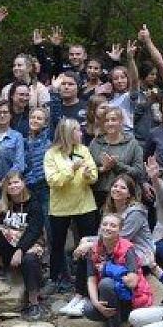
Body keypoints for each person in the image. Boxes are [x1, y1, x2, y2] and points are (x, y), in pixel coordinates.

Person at [45, 118, 98, 296]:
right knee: (58, 244)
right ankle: (55, 278)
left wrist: (89, 175)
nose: (81, 134)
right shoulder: (51, 154)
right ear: (68, 134)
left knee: (88, 243)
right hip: (60, 207)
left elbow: (94, 176)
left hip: (85, 204)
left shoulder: (84, 150)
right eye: (77, 131)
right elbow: (53, 181)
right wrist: (72, 169)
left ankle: (88, 278)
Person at [82, 213, 153, 327]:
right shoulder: (94, 249)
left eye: (113, 225)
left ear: (120, 230)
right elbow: (91, 278)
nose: (107, 228)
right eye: (105, 224)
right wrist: (97, 304)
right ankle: (112, 316)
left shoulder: (127, 249)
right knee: (88, 309)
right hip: (112, 297)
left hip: (130, 299)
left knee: (106, 283)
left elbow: (132, 282)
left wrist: (108, 269)